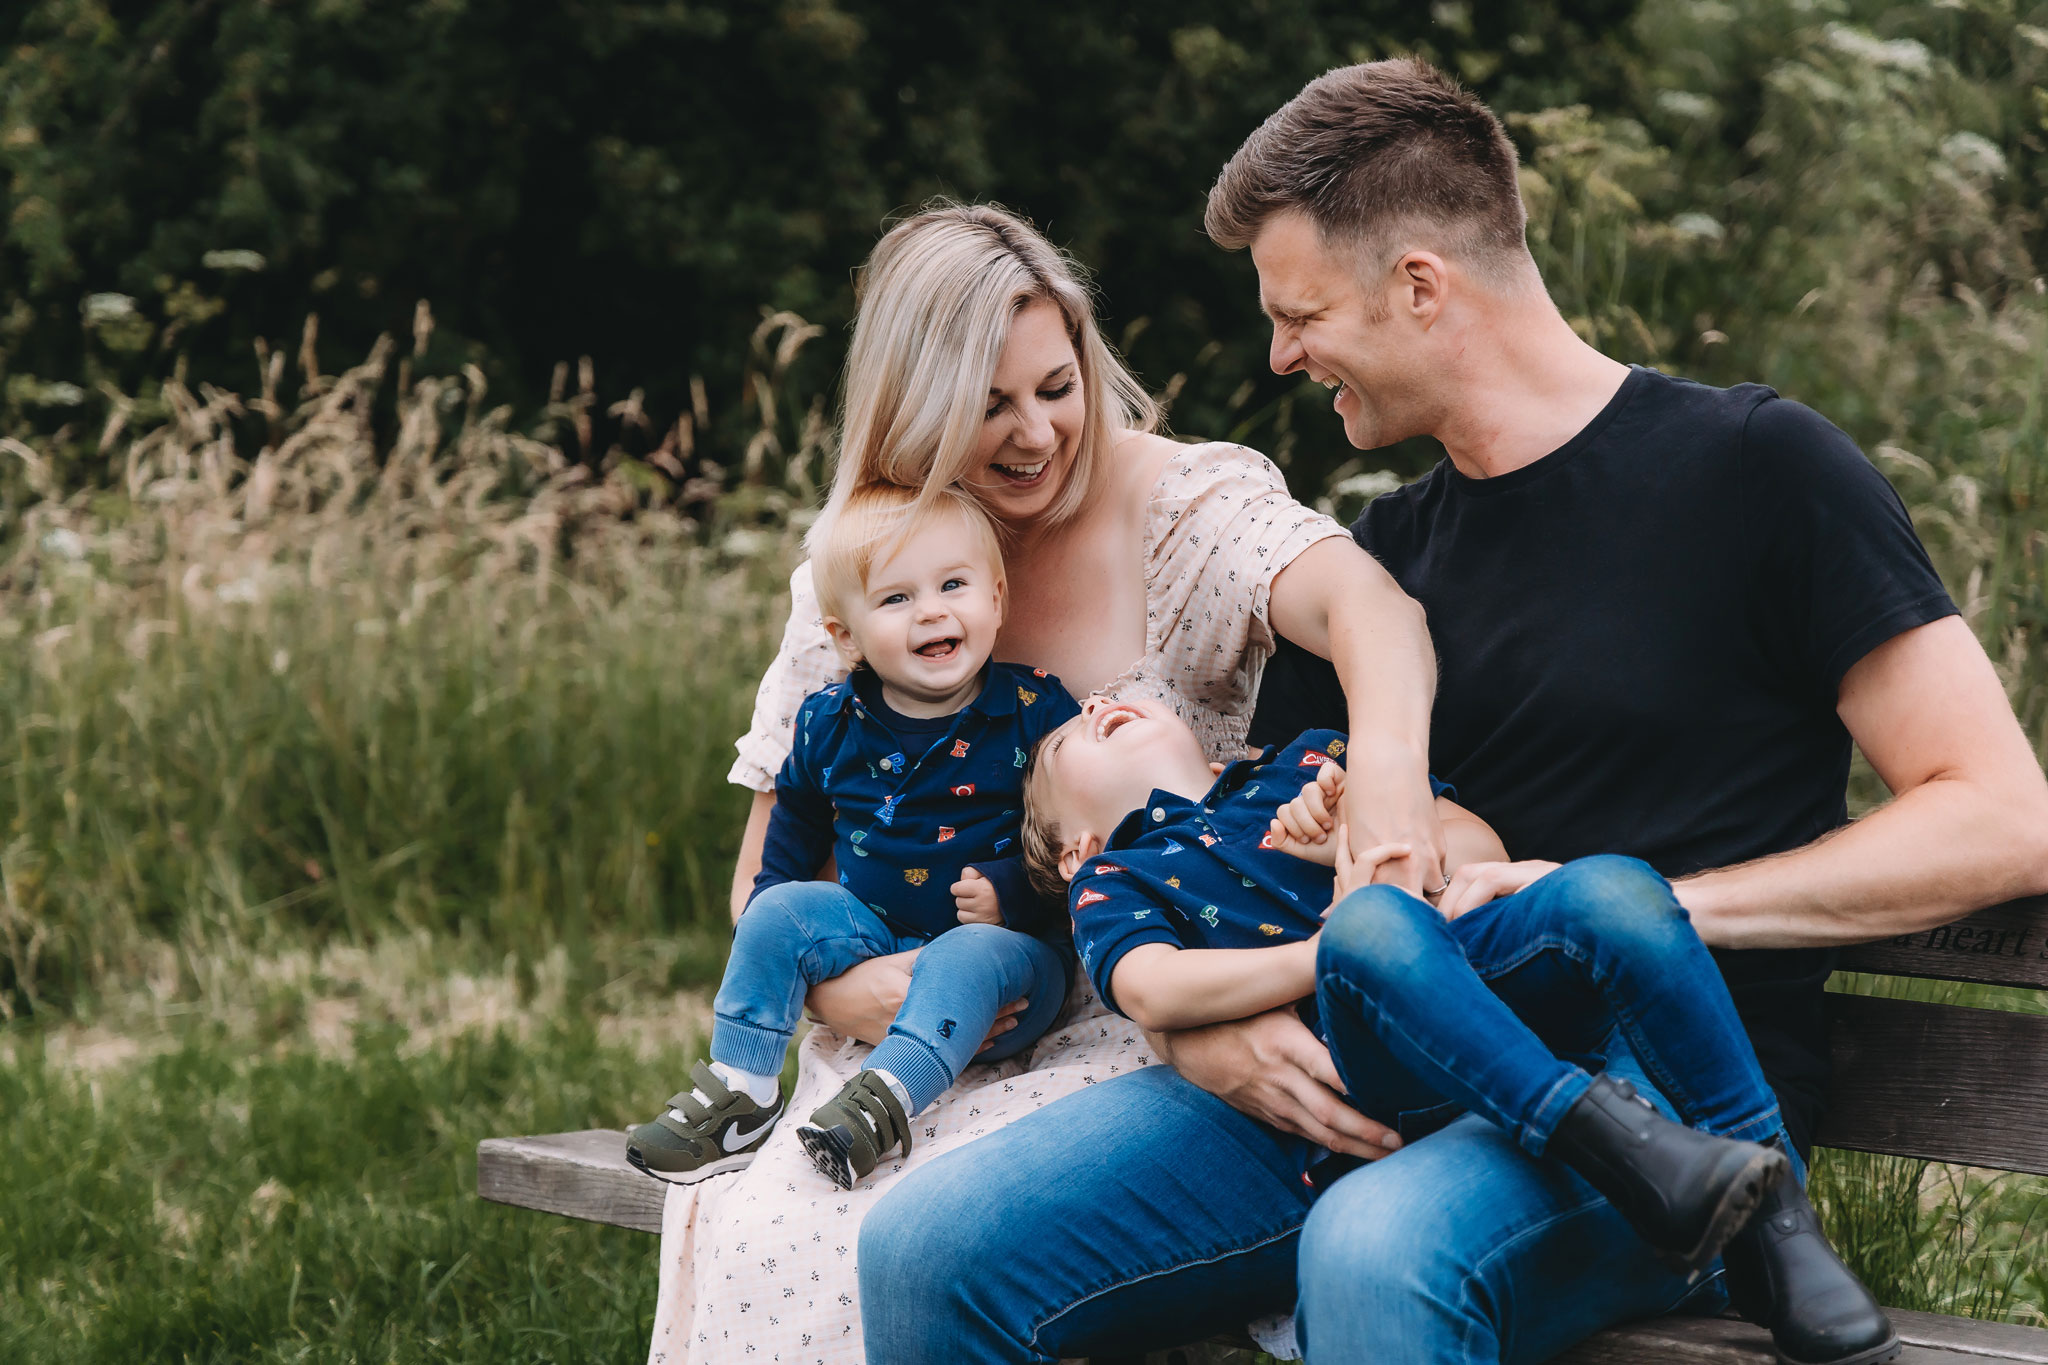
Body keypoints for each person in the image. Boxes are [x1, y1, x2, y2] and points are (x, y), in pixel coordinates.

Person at [858, 59, 2048, 1365]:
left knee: (1375, 1250)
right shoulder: (1387, 564)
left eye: (1299, 313)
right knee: (929, 1254)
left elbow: (2001, 817)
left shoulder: (1760, 472)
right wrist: (1205, 1037)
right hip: (1382, 1056)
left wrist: (1641, 904)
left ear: (1420, 286)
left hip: (1668, 1091)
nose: (1279, 353)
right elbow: (1258, 860)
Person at [642, 201, 1441, 1364]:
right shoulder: (869, 562)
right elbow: (769, 864)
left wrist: (1387, 788)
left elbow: (1370, 606)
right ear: (912, 406)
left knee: (937, 1240)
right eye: (986, 404)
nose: (1034, 434)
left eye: (1055, 387)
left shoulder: (1179, 508)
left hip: (1138, 1007)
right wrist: (848, 993)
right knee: (786, 1234)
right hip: (913, 1033)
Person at [1027, 695, 1893, 1354]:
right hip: (1386, 1051)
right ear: (1074, 847)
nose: (1100, 703)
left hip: (1485, 968)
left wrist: (1363, 843)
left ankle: (1774, 1219)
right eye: (1068, 734)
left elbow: (1473, 845)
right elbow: (1156, 990)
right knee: (1371, 932)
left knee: (1609, 886)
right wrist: (1325, 950)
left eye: (1108, 699)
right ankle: (1628, 1150)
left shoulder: (1301, 762)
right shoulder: (1117, 877)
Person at [624, 484, 1079, 1191]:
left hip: (1009, 967)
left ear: (995, 598)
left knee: (965, 952)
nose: (931, 609)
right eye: (896, 599)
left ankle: (884, 1100)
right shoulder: (828, 720)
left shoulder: (1035, 708)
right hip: (876, 933)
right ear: (845, 636)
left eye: (953, 585)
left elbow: (1080, 839)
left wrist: (1014, 891)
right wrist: (778, 923)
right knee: (771, 909)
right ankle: (742, 1089)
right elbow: (797, 820)